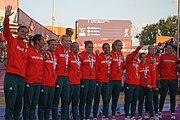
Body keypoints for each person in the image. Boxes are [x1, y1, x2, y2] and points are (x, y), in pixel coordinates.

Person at [3, 5, 28, 120]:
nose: (24, 33)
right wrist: (7, 18)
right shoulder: (12, 41)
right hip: (12, 76)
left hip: (22, 78)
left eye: (26, 32)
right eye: (22, 31)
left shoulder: (26, 47)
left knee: (19, 105)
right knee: (11, 105)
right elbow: (6, 31)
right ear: (17, 33)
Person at [23, 34, 45, 120]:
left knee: (34, 104)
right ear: (37, 41)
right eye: (42, 40)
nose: (44, 42)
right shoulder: (28, 50)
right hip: (29, 81)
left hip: (38, 82)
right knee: (28, 104)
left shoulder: (41, 53)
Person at [52, 34, 71, 120]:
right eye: (66, 41)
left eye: (69, 41)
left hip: (66, 77)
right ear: (61, 41)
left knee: (66, 101)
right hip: (58, 77)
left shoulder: (67, 51)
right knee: (56, 101)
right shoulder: (57, 49)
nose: (68, 43)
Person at [38, 39, 58, 120]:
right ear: (48, 45)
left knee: (49, 105)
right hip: (44, 83)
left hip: (52, 83)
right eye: (52, 44)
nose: (54, 46)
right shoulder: (44, 54)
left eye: (55, 45)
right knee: (43, 105)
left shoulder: (55, 56)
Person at [159, 44, 178, 120]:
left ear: (173, 50)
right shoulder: (162, 57)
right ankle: (160, 111)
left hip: (173, 79)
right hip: (164, 79)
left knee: (173, 96)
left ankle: (172, 112)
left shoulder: (175, 57)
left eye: (170, 48)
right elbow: (158, 66)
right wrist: (160, 74)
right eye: (168, 48)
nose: (169, 49)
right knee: (163, 95)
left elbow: (177, 67)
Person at [93, 43, 112, 119]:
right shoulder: (100, 57)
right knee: (97, 99)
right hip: (99, 81)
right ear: (103, 49)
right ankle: (94, 116)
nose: (107, 49)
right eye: (105, 48)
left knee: (106, 99)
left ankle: (105, 116)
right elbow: (96, 68)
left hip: (106, 81)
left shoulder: (111, 57)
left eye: (108, 47)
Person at [79, 40, 97, 120]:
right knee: (83, 99)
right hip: (84, 79)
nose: (90, 49)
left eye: (92, 47)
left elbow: (96, 67)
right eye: (89, 47)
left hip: (92, 79)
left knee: (90, 100)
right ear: (85, 47)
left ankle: (87, 116)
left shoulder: (94, 56)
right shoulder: (81, 55)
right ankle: (82, 117)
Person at [124, 44, 142, 120]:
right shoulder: (129, 61)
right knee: (128, 100)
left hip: (137, 84)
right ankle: (126, 115)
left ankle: (133, 115)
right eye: (136, 54)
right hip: (129, 83)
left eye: (138, 55)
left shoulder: (138, 63)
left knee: (134, 101)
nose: (137, 56)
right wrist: (138, 48)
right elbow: (132, 55)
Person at [108, 40, 124, 119]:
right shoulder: (110, 54)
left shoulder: (121, 55)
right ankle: (105, 114)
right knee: (107, 97)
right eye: (118, 45)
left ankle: (113, 114)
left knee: (115, 98)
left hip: (118, 79)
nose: (120, 47)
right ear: (114, 46)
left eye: (121, 46)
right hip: (110, 79)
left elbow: (122, 67)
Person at [138, 53, 156, 120]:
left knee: (149, 101)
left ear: (146, 58)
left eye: (144, 57)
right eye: (142, 57)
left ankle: (151, 115)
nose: (143, 59)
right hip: (141, 86)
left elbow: (153, 76)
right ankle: (140, 115)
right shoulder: (138, 65)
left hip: (149, 86)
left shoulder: (150, 65)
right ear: (139, 58)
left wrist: (153, 85)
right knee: (141, 101)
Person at [145, 45, 160, 120]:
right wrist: (150, 62)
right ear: (148, 50)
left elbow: (160, 67)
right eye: (151, 49)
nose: (153, 50)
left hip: (156, 80)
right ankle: (147, 112)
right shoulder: (145, 57)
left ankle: (156, 113)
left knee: (156, 96)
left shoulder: (158, 57)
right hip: (148, 80)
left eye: (154, 49)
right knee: (148, 98)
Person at [68, 42, 82, 120]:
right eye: (74, 47)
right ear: (71, 48)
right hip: (70, 82)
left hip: (77, 82)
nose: (76, 48)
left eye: (77, 47)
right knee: (67, 101)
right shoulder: (68, 56)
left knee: (75, 102)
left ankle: (75, 117)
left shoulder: (79, 57)